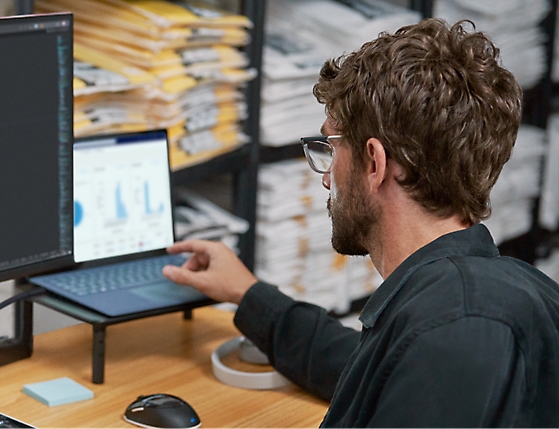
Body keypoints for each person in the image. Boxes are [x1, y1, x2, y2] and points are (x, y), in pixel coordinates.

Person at [162, 18, 559, 427]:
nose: (325, 176)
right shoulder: (480, 299)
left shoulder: (452, 332)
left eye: (330, 148)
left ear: (375, 162)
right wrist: (249, 295)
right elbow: (364, 367)